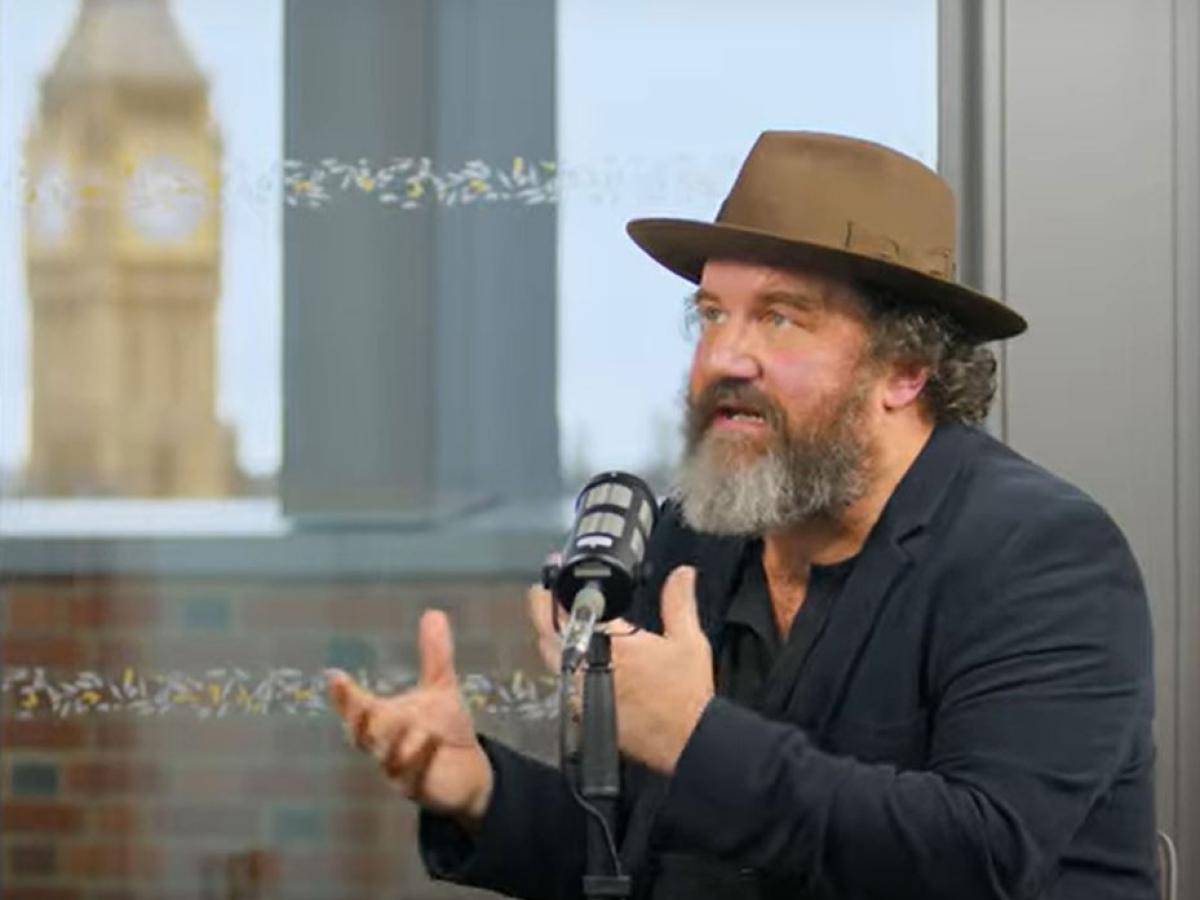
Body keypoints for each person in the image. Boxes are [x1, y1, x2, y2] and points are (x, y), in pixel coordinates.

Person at [326, 131, 1157, 899]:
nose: (723, 357)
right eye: (712, 315)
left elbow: (977, 856)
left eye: (781, 317)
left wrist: (691, 738)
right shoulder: (696, 538)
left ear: (904, 369)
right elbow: (635, 854)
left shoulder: (1042, 554)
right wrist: (481, 790)